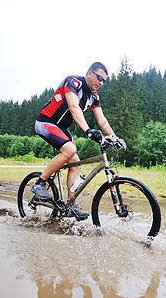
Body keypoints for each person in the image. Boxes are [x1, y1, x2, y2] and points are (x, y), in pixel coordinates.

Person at [32, 62, 118, 220]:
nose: (101, 82)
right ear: (89, 73)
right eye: (99, 77)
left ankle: (71, 204)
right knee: (70, 150)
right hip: (47, 122)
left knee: (75, 161)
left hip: (63, 128)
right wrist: (87, 130)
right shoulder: (73, 82)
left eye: (104, 80)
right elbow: (73, 107)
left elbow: (102, 120)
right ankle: (40, 182)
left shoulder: (94, 96)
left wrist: (114, 137)